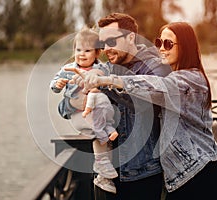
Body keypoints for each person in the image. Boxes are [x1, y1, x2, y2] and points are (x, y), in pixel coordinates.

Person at [70, 22, 217, 200]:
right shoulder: (170, 75)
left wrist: (109, 80)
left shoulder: (192, 80)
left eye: (168, 44)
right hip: (179, 180)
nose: (161, 48)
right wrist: (94, 78)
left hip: (201, 176)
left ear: (185, 47)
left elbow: (154, 85)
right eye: (159, 42)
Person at [70, 13, 172, 200]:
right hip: (109, 177)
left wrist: (104, 85)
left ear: (130, 37)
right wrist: (86, 83)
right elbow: (67, 108)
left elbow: (142, 105)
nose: (106, 48)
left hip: (143, 174)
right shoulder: (110, 66)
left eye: (111, 41)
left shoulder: (156, 66)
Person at [49, 27, 119, 194]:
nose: (81, 54)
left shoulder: (102, 68)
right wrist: (57, 86)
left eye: (87, 50)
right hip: (80, 115)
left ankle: (104, 174)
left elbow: (110, 82)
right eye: (78, 49)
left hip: (97, 112)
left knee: (105, 134)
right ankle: (102, 169)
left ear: (96, 53)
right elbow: (55, 82)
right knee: (99, 133)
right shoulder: (69, 69)